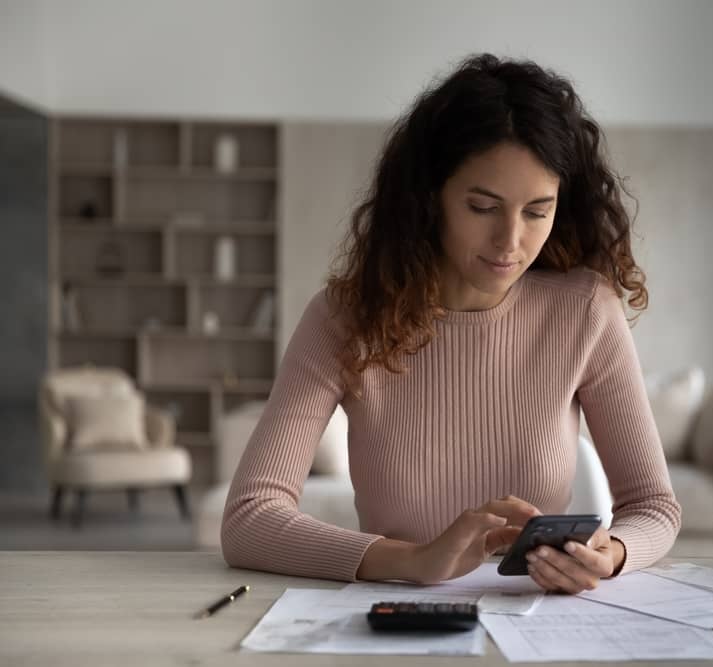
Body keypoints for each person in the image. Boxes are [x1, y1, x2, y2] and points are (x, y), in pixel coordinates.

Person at [222, 53, 681, 594]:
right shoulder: (344, 318)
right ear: (429, 199)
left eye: (537, 210)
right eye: (483, 207)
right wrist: (413, 559)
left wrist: (614, 553)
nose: (511, 242)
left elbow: (653, 507)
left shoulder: (585, 311)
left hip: (536, 626)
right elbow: (250, 519)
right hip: (393, 624)